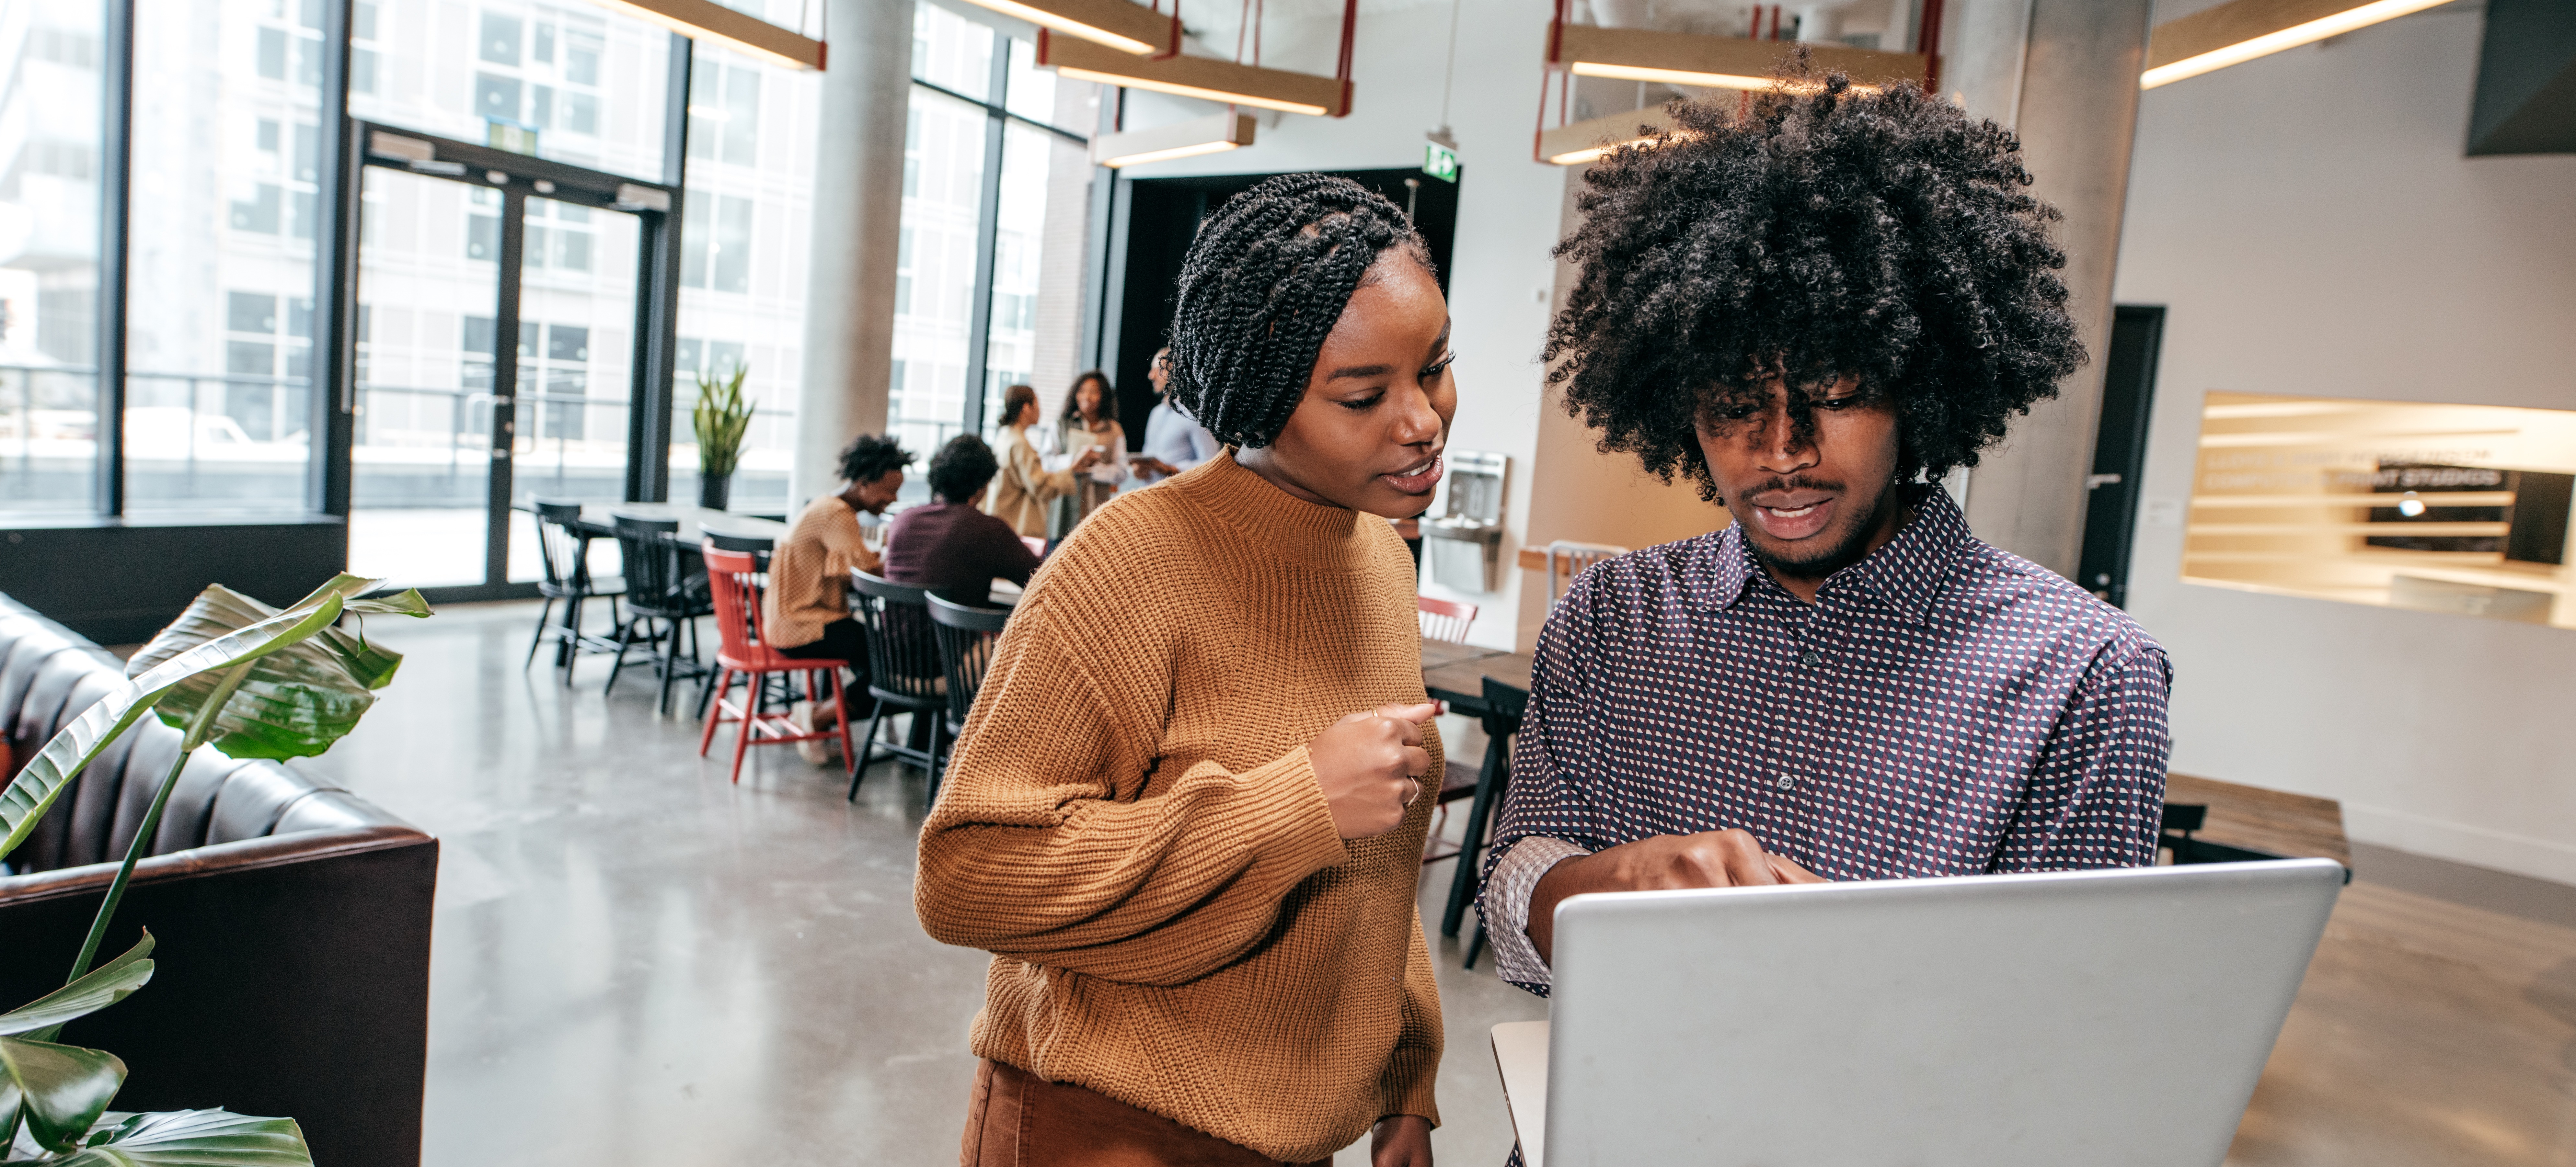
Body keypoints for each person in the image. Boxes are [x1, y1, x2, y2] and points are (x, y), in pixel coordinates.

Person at [1476, 78, 2173, 996]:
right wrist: (1614, 883)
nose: (1783, 452)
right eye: (1734, 407)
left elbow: (2076, 1010)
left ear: (1919, 393)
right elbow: (1508, 887)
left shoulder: (2084, 673)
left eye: (1837, 398)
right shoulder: (1612, 618)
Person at [916, 174, 1455, 1167]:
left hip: (1295, 1136)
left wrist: (1403, 1080)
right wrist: (1288, 806)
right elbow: (966, 877)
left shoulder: (1378, 557)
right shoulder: (1130, 560)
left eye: (1435, 366)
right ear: (1260, 395)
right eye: (1364, 395)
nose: (1422, 418)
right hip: (1105, 1126)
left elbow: (1375, 855)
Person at [769, 433, 911, 763]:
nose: (892, 499)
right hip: (803, 625)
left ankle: (825, 714)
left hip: (790, 620)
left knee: (880, 659)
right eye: (888, 490)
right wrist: (900, 556)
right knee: (891, 664)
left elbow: (849, 565)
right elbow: (861, 574)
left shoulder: (825, 504)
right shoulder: (838, 514)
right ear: (863, 482)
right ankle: (818, 716)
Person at [884, 434, 1042, 608]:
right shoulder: (988, 530)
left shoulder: (903, 520)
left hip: (889, 634)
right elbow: (1043, 581)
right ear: (983, 484)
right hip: (955, 634)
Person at [986, 383, 1098, 540]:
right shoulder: (1019, 443)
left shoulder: (1005, 434)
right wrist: (1072, 470)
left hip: (1001, 518)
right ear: (1026, 408)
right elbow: (1040, 486)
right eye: (1037, 404)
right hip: (1014, 525)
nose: (1040, 410)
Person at [1128, 346, 1220, 486]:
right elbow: (1149, 454)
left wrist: (1170, 470)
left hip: (1180, 499)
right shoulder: (1156, 414)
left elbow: (1211, 464)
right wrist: (1141, 470)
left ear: (1178, 372)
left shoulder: (1195, 415)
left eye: (1159, 369)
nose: (1151, 376)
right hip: (1151, 497)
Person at [1048, 369, 1128, 529]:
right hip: (1064, 508)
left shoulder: (1114, 429)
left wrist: (1094, 470)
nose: (1087, 397)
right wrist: (1074, 462)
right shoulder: (1061, 425)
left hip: (1098, 508)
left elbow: (1122, 472)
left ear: (1103, 396)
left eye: (1093, 392)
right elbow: (1047, 462)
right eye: (1082, 391)